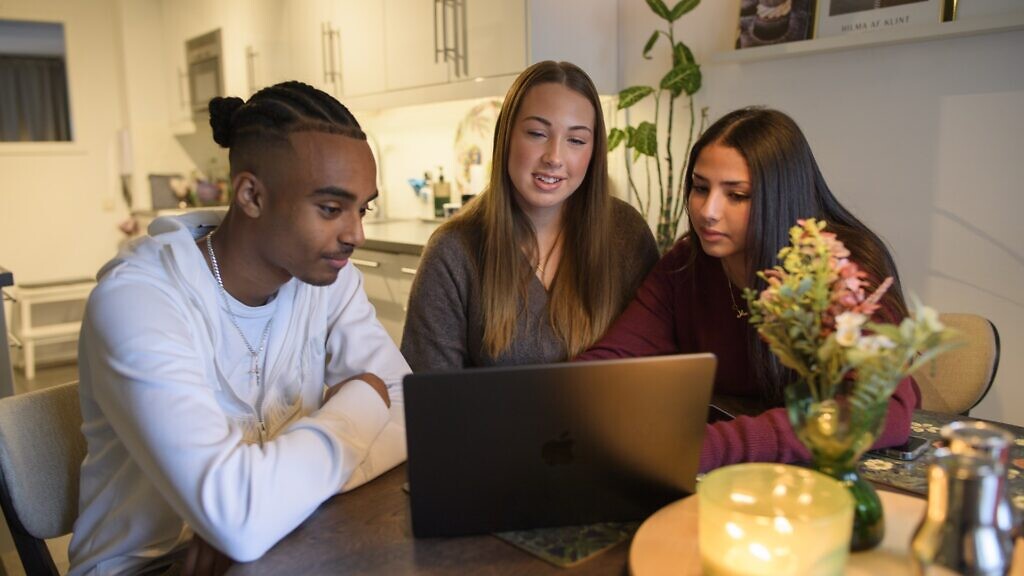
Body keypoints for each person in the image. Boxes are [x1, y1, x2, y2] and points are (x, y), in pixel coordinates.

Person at [68, 82, 407, 575]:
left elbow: (407, 413)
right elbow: (240, 518)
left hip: (284, 543)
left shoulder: (328, 279)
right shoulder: (138, 301)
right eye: (332, 209)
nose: (356, 234)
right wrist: (362, 400)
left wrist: (271, 509)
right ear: (251, 195)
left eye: (363, 208)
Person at [577, 107, 919, 473]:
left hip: (825, 475)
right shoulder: (685, 265)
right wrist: (555, 405)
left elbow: (881, 409)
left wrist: (712, 445)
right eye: (700, 188)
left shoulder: (844, 271)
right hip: (733, 473)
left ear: (779, 197)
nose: (708, 211)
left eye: (737, 195)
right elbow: (609, 363)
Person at [401, 61, 658, 370]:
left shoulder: (626, 234)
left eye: (576, 140)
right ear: (506, 137)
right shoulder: (454, 251)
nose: (554, 157)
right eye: (537, 133)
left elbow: (653, 361)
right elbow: (430, 399)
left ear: (594, 152)